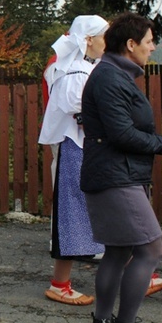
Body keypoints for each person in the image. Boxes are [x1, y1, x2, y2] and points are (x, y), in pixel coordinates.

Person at [81, 13, 162, 323]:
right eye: (150, 41)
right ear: (131, 44)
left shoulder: (116, 75)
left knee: (118, 251)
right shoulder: (110, 77)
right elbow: (122, 134)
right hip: (115, 176)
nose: (152, 48)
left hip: (119, 174)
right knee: (151, 250)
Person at [38, 15, 109, 306]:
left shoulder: (80, 69)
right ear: (88, 39)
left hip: (83, 147)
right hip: (77, 148)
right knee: (78, 213)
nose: (107, 42)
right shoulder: (74, 72)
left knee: (90, 212)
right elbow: (76, 107)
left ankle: (61, 283)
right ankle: (60, 284)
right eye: (104, 36)